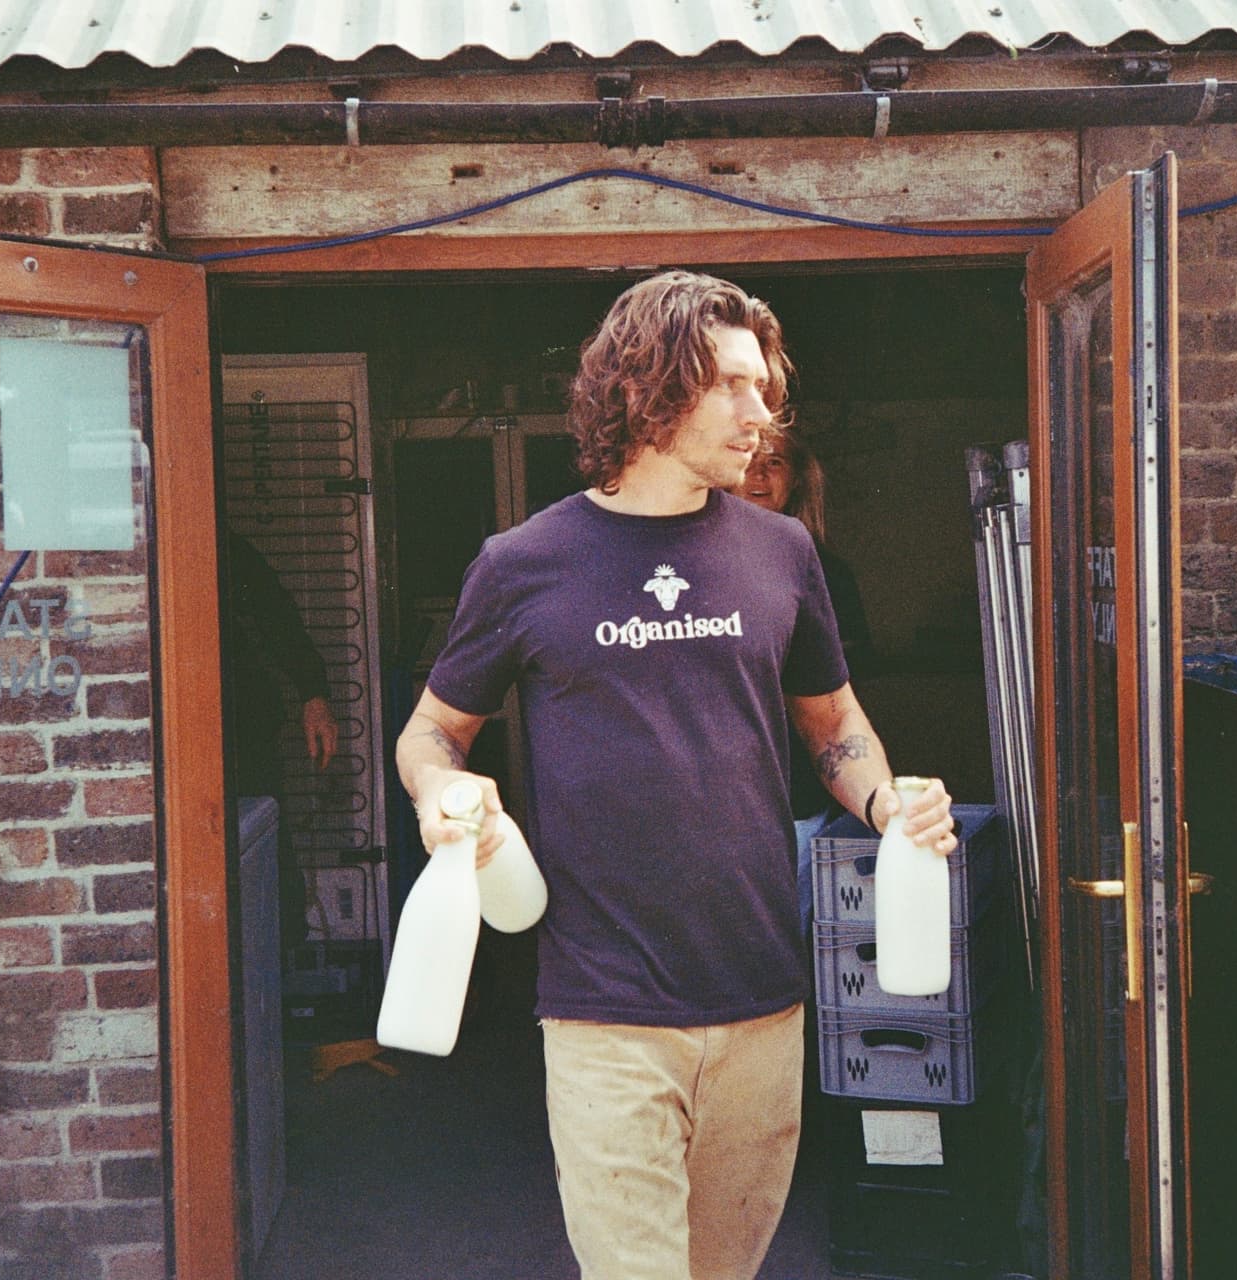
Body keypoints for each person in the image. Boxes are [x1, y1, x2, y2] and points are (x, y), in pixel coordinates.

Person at [393, 270, 957, 1280]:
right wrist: (443, 792)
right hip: (604, 1009)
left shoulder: (783, 552)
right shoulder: (524, 563)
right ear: (646, 389)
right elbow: (432, 731)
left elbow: (832, 721)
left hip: (762, 999)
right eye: (732, 385)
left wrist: (889, 802)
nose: (761, 413)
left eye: (764, 387)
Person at [732, 426, 876, 818]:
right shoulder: (699, 564)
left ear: (795, 478)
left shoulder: (827, 572)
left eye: (775, 462)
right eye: (750, 460)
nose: (760, 474)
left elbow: (838, 699)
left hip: (801, 796)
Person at [224, 528, 339, 949]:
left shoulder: (223, 546)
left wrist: (313, 694)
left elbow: (275, 615)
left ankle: (285, 949)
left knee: (265, 841)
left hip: (245, 725)